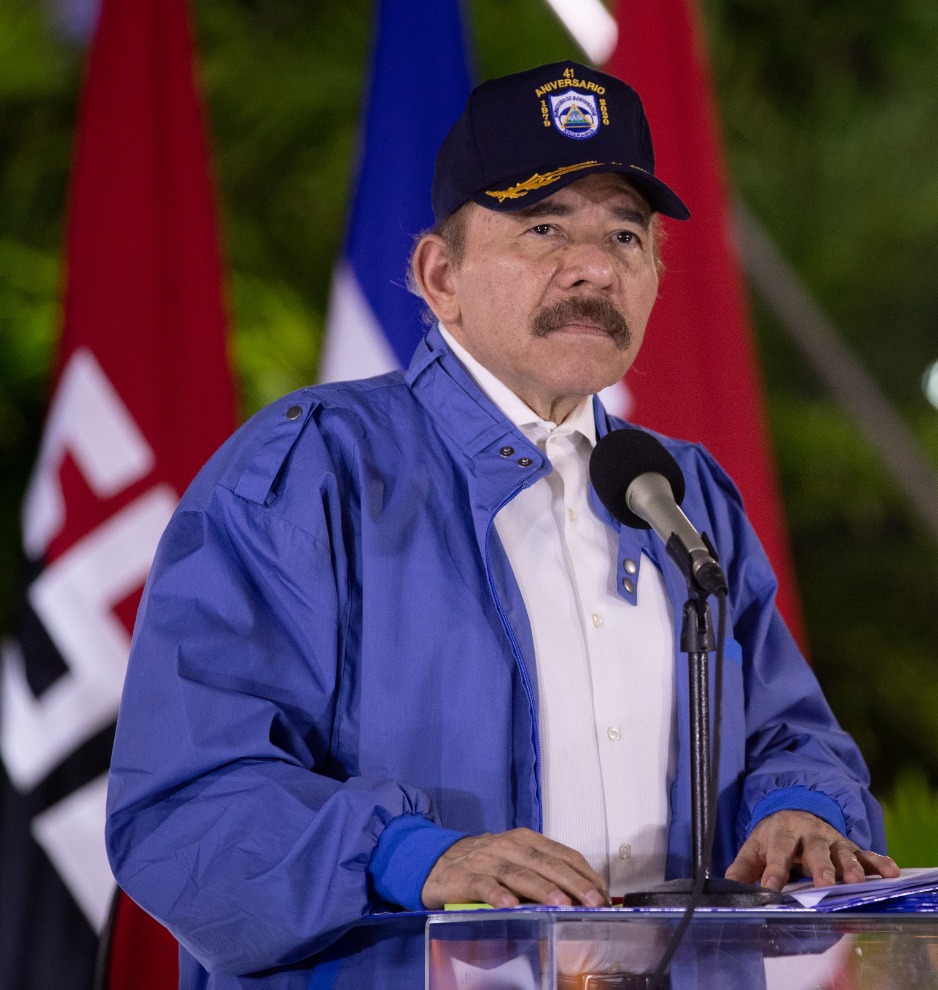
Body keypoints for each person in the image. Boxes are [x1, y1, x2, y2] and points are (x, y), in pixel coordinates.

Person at [106, 60, 896, 989]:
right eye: (543, 227)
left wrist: (802, 810)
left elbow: (788, 733)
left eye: (626, 235)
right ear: (441, 276)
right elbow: (184, 802)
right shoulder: (313, 470)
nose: (593, 266)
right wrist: (414, 857)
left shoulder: (684, 494)